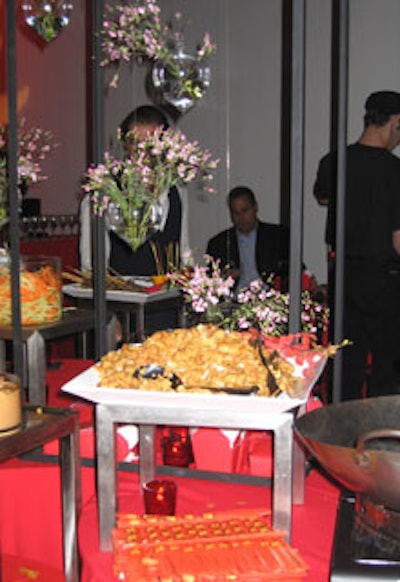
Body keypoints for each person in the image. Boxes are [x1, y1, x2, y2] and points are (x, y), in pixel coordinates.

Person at [314, 90, 400, 400]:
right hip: (385, 282)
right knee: (386, 371)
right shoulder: (394, 171)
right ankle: (382, 440)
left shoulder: (334, 161)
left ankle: (340, 440)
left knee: (346, 369)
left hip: (344, 278)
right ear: (394, 121)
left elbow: (322, 196)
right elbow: (398, 238)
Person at [79, 105, 189, 276]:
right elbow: (91, 265)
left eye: (151, 143)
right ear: (125, 144)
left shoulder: (177, 192)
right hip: (121, 298)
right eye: (136, 143)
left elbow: (183, 250)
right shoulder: (104, 193)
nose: (143, 153)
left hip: (166, 298)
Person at [206, 186, 290, 290]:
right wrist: (223, 277)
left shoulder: (278, 236)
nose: (241, 217)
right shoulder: (218, 244)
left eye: (245, 210)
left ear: (255, 207)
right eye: (235, 213)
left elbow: (292, 272)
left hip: (270, 299)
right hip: (234, 302)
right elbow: (210, 282)